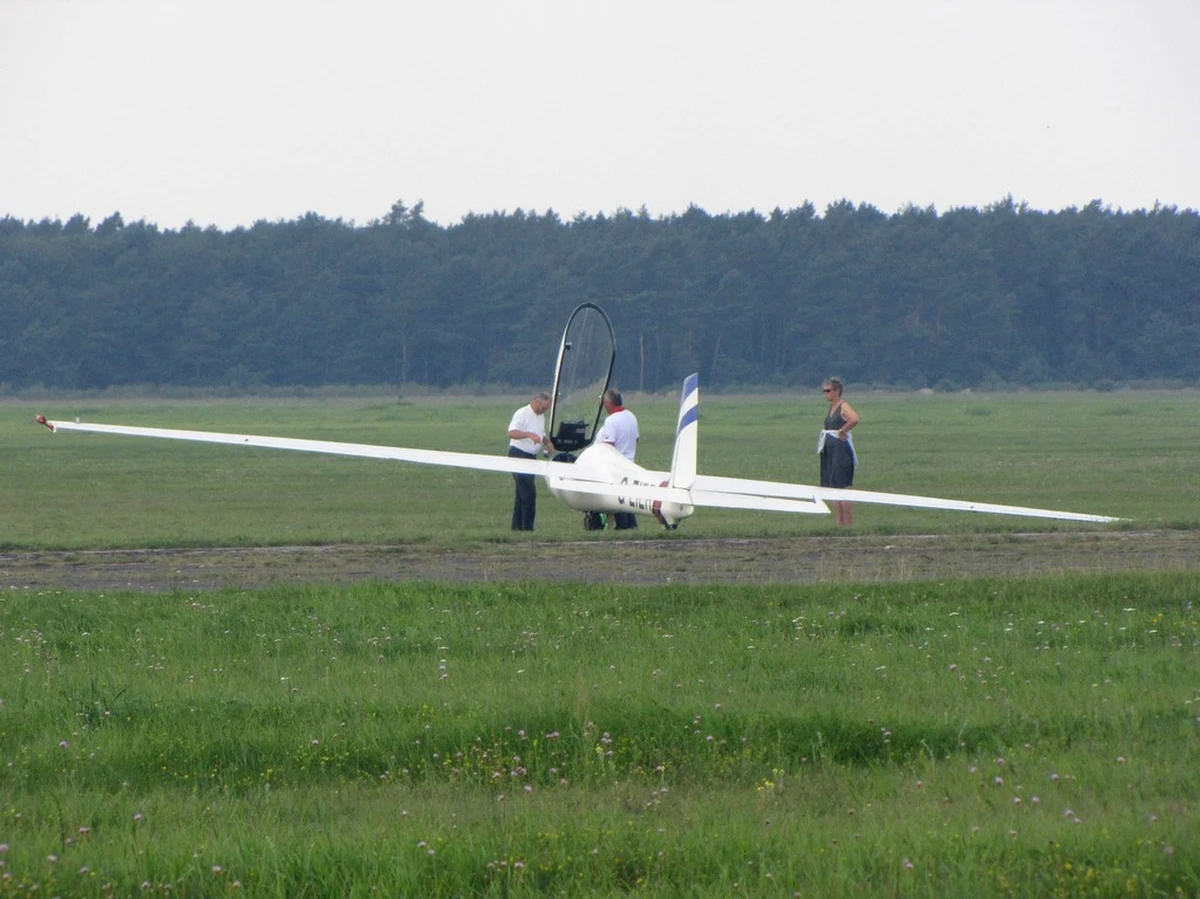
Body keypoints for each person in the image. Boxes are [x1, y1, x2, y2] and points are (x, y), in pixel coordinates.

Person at [507, 391, 552, 530]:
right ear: (537, 401)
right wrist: (529, 435)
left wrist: (547, 442)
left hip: (531, 457)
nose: (544, 411)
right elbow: (511, 432)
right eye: (544, 408)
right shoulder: (522, 413)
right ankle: (527, 528)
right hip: (519, 455)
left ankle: (517, 528)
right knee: (529, 494)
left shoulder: (541, 416)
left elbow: (541, 434)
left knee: (521, 495)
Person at [818, 377, 859, 526]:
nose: (825, 393)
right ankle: (839, 523)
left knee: (843, 487)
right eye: (824, 391)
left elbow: (854, 418)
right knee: (833, 486)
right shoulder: (831, 407)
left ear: (837, 391)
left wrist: (843, 430)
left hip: (841, 451)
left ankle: (847, 524)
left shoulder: (843, 406)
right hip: (830, 451)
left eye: (828, 391)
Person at [597, 387, 639, 530]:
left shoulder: (611, 421)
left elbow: (608, 446)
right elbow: (636, 439)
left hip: (617, 465)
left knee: (618, 497)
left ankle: (622, 525)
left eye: (604, 403)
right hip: (630, 462)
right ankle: (632, 524)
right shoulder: (631, 416)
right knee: (628, 496)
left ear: (609, 404)